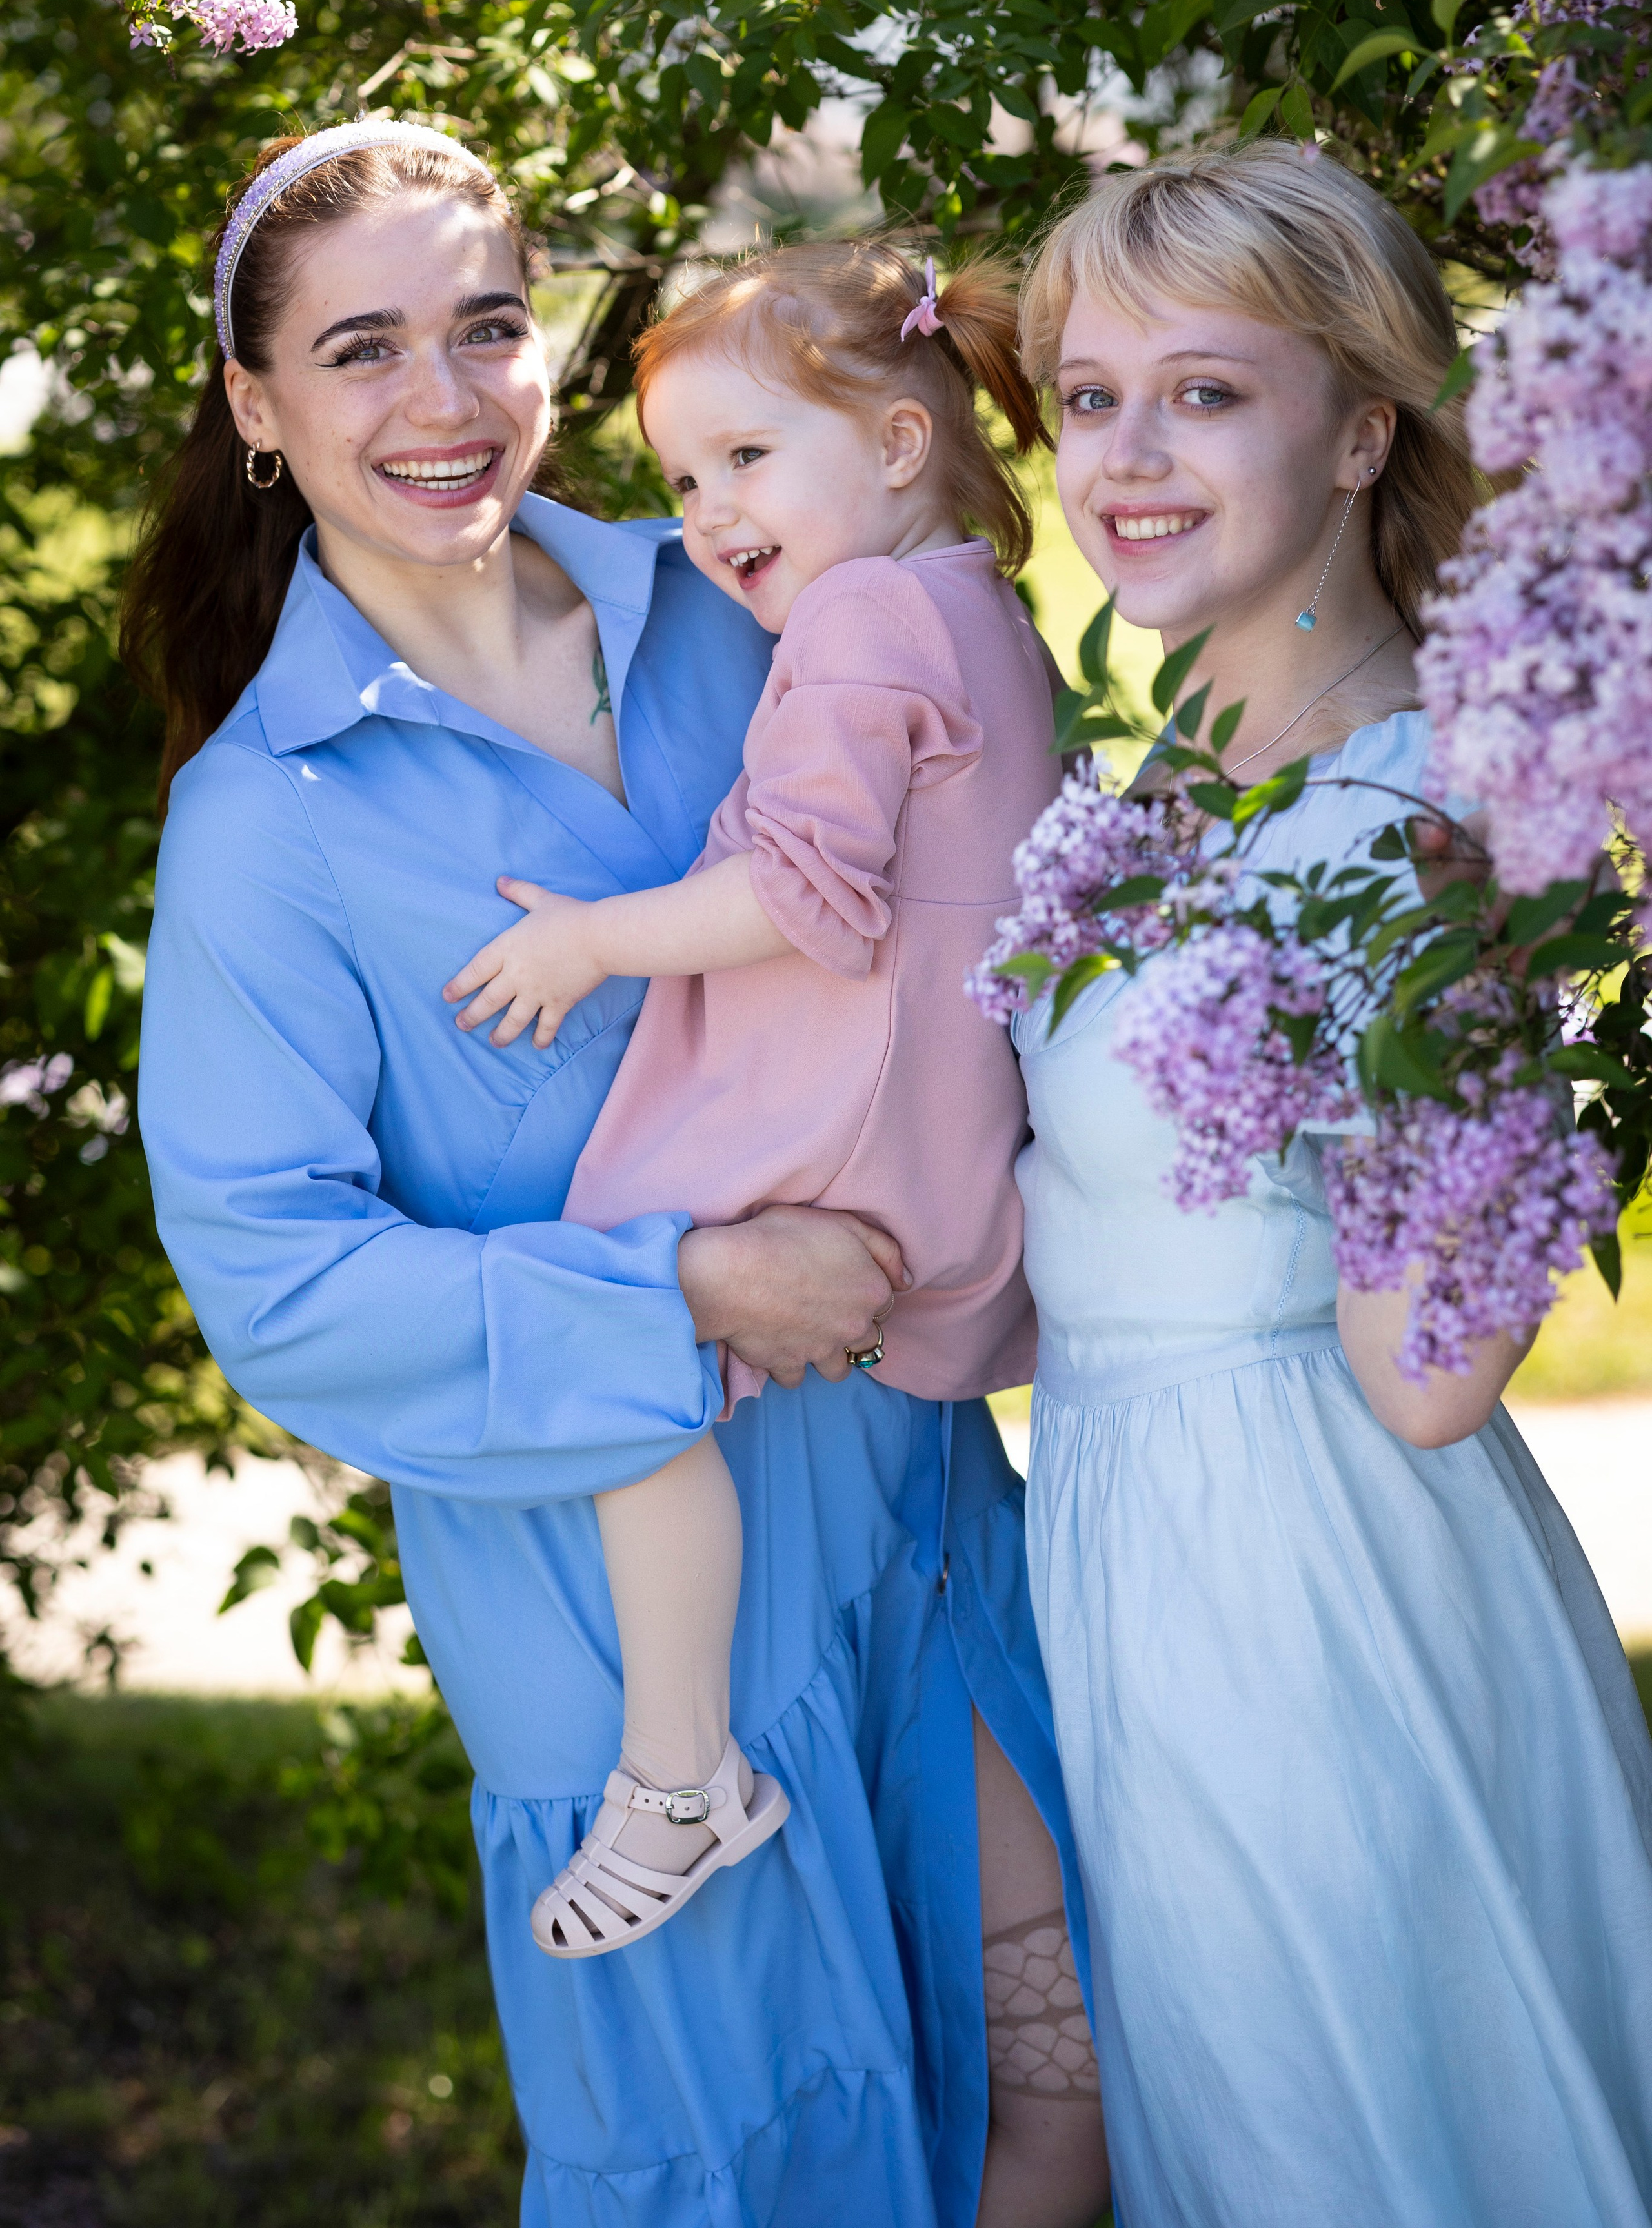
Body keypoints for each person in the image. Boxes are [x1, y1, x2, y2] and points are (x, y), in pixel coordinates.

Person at [129, 121, 1107, 2228]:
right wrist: (680, 1287)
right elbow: (278, 1282)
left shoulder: (748, 599)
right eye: (363, 347)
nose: (442, 399)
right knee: (769, 2176)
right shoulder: (262, 823)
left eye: (487, 328)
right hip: (635, 1651)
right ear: (258, 408)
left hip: (938, 1529)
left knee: (1072, 2104)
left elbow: (978, 882)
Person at [1011, 141, 1652, 2227]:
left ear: (1365, 426)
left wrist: (1442, 1046)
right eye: (1091, 395)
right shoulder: (1146, 783)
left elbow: (1434, 1380)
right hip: (1122, 1551)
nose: (1127, 454)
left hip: (1311, 1594)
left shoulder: (1444, 805)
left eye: (1206, 392)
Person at [439, 245, 1085, 1989]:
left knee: (621, 1319)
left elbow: (804, 892)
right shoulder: (981, 610)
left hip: (843, 1112)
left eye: (745, 459)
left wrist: (589, 942)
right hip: (945, 1141)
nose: (708, 514)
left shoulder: (866, 617)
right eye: (678, 478)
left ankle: (678, 1771)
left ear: (892, 443)